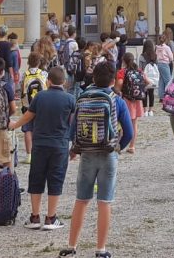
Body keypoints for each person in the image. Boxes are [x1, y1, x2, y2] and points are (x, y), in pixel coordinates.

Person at [58, 63, 134, 258]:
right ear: (112, 80)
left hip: (87, 154)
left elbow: (73, 127)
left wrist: (76, 148)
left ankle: (72, 245)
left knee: (81, 200)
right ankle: (100, 249)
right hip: (108, 155)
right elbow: (129, 132)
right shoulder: (116, 100)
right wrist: (117, 147)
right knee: (104, 202)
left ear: (93, 78)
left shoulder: (82, 98)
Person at [9, 66, 77, 231]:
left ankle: (34, 216)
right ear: (65, 82)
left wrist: (15, 125)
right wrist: (75, 145)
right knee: (56, 179)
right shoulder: (70, 99)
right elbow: (74, 123)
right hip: (60, 145)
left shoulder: (40, 97)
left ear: (48, 81)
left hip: (39, 144)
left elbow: (28, 116)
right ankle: (51, 217)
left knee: (36, 179)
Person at [114, 52, 146, 153]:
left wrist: (117, 90)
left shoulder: (122, 72)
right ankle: (132, 146)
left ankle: (120, 144)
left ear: (123, 61)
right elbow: (148, 81)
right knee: (134, 123)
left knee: (123, 123)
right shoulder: (139, 71)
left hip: (126, 99)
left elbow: (119, 83)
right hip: (137, 100)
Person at [142, 43, 159, 117]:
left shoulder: (142, 56)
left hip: (145, 77)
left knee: (144, 94)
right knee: (151, 93)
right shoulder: (154, 55)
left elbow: (140, 67)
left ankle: (145, 110)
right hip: (153, 79)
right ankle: (150, 110)